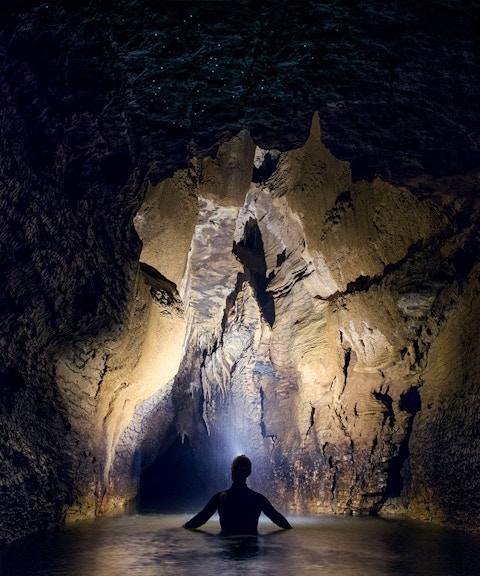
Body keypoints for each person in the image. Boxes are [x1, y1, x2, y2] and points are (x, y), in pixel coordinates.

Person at [183, 455, 292, 535]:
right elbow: (280, 521)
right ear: (249, 473)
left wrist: (184, 527)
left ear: (233, 471)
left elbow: (200, 519)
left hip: (227, 547)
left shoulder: (220, 498)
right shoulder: (258, 499)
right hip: (251, 548)